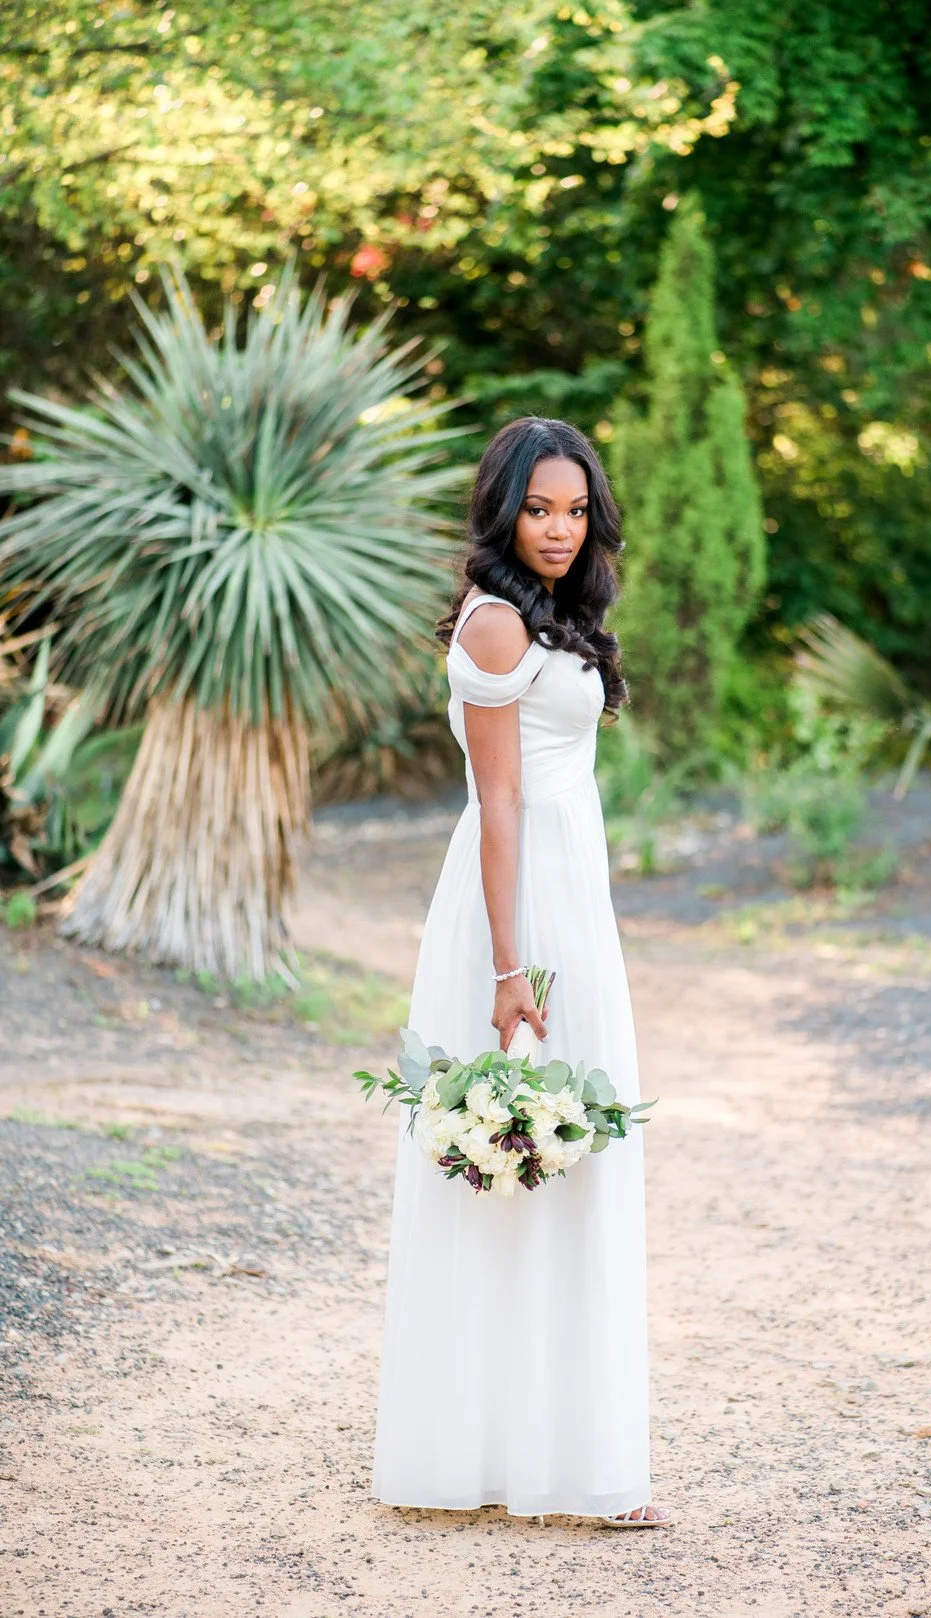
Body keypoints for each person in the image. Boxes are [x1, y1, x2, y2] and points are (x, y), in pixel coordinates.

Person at [372, 416, 671, 1527]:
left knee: (569, 1157)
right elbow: (497, 802)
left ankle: (559, 1454)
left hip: (569, 893)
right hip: (518, 906)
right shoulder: (496, 627)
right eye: (538, 508)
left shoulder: (558, 613)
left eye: (574, 508)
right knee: (530, 1149)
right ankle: (526, 1459)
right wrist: (509, 969)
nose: (557, 527)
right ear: (503, 510)